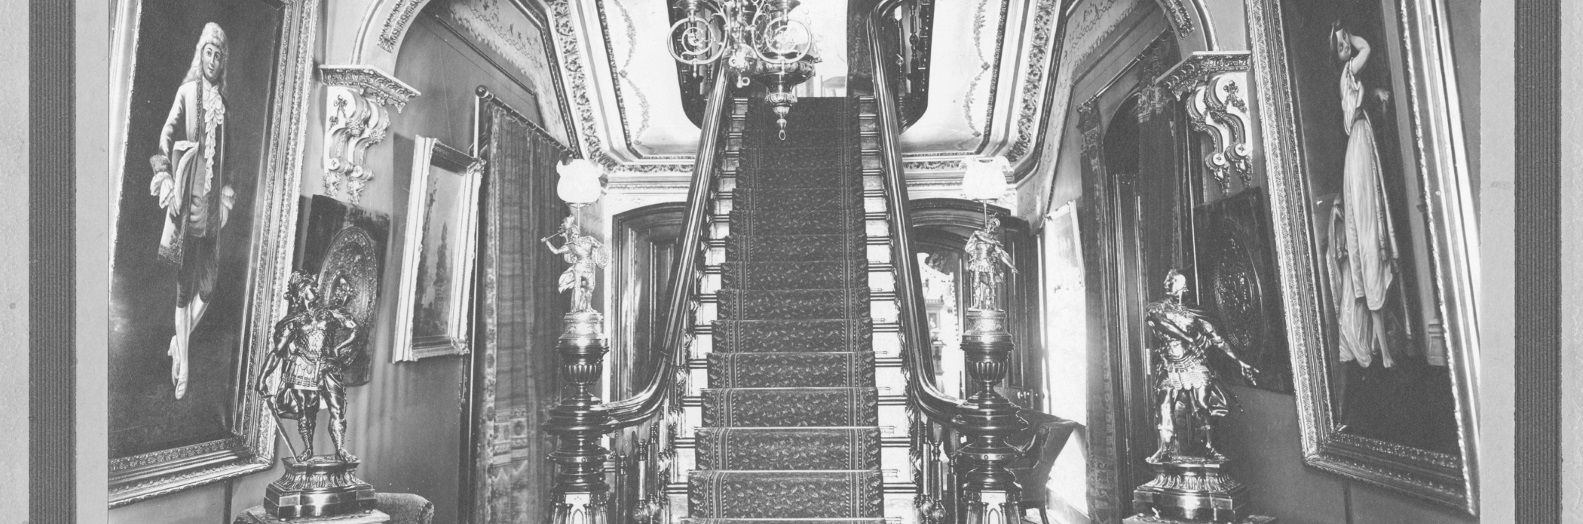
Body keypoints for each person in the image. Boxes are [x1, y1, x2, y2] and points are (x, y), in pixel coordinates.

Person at [150, 22, 237, 399]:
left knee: (208, 287)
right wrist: (166, 177)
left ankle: (177, 343)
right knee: (184, 290)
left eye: (219, 54)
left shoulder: (224, 107)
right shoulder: (187, 92)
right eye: (208, 52)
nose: (213, 60)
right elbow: (164, 138)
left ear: (223, 61)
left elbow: (230, 163)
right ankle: (184, 366)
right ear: (199, 55)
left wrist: (227, 195)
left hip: (211, 211)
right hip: (187, 202)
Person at [1326, 20, 1400, 369]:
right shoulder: (1346, 72)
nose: (1347, 48)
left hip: (1360, 145)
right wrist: (1351, 38)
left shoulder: (1350, 84)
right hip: (1357, 151)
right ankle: (1383, 351)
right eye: (1341, 45)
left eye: (1346, 44)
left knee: (1371, 239)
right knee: (1368, 240)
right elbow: (1366, 48)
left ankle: (1384, 347)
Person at [1144, 270, 1258, 463]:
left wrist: (1239, 361)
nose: (1178, 288)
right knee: (1164, 404)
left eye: (1181, 285)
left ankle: (1208, 448)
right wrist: (1189, 337)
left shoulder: (1194, 315)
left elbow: (1218, 340)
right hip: (1170, 364)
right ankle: (1164, 448)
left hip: (1193, 362)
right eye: (1174, 283)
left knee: (1202, 406)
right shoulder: (1156, 308)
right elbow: (1162, 324)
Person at [257, 273, 360, 462]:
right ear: (302, 292)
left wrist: (339, 348)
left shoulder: (329, 313)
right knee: (306, 412)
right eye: (312, 288)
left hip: (328, 366)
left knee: (337, 409)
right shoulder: (293, 321)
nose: (317, 292)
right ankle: (309, 449)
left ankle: (340, 449)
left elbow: (355, 329)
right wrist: (262, 378)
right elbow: (277, 352)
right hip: (302, 368)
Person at [542, 216, 609, 312]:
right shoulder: (569, 245)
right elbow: (556, 251)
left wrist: (601, 257)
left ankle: (588, 307)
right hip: (579, 267)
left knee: (590, 287)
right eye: (572, 233)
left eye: (575, 232)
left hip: (590, 267)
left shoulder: (589, 239)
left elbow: (601, 248)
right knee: (577, 287)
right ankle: (576, 309)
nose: (574, 235)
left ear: (578, 232)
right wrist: (547, 242)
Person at [963, 217, 1017, 311]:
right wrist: (992, 241)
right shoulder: (978, 234)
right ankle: (976, 303)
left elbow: (1003, 255)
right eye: (991, 224)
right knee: (976, 283)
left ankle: (992, 303)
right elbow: (977, 236)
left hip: (988, 263)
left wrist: (1012, 266)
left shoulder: (994, 242)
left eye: (994, 226)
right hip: (978, 262)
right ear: (987, 224)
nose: (991, 227)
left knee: (992, 283)